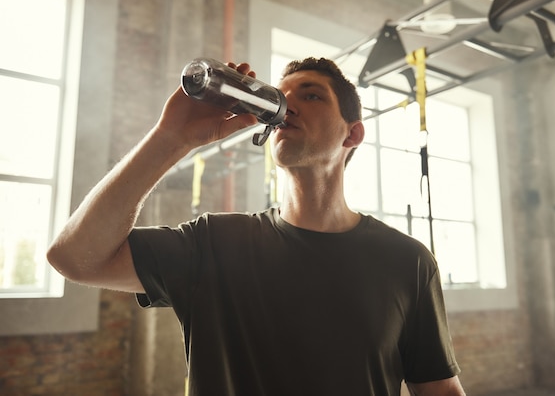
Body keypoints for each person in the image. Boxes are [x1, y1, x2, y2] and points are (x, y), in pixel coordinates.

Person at [48, 57, 466, 396]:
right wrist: (171, 137)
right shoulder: (212, 244)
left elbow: (440, 391)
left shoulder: (407, 262)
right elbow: (74, 257)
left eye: (312, 95)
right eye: (281, 98)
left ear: (352, 134)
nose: (288, 105)